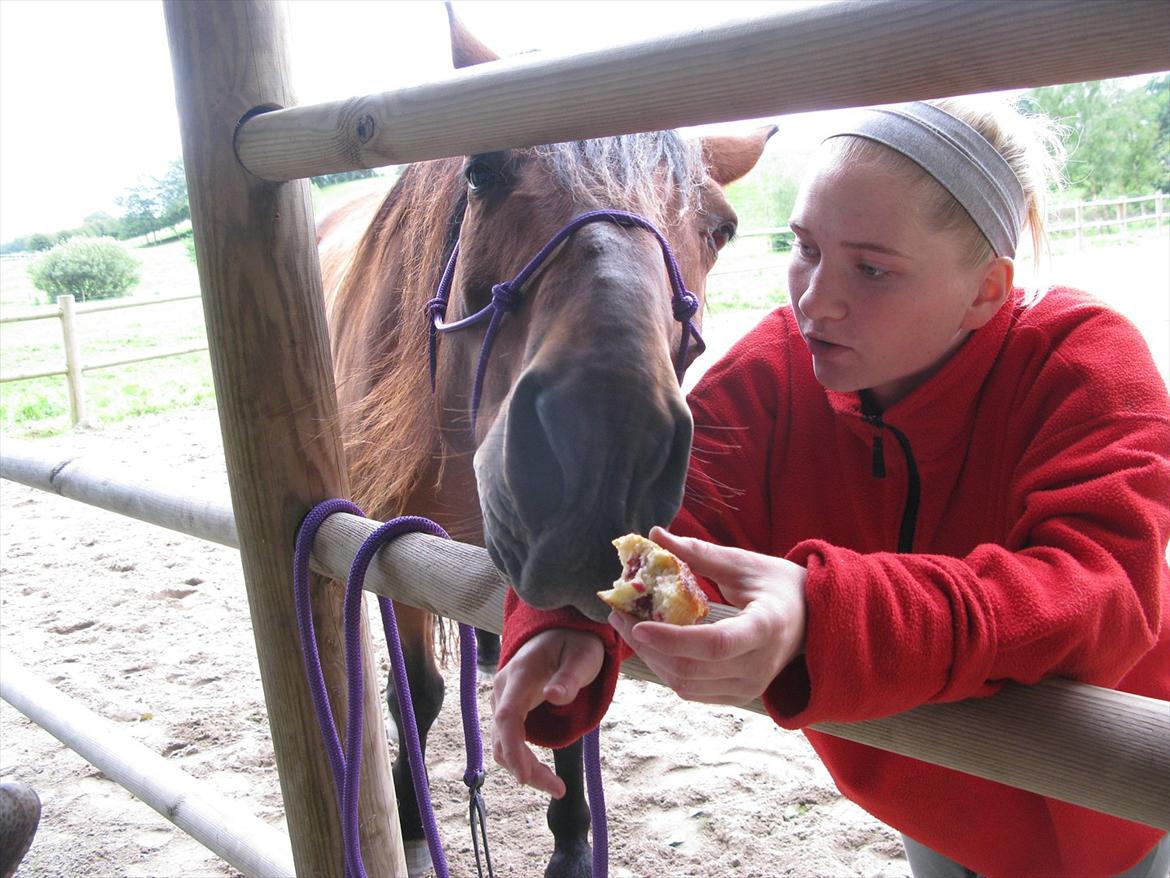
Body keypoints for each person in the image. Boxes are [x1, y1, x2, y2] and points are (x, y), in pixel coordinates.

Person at [490, 97, 1170, 877]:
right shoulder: (780, 367)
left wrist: (823, 613)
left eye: (873, 269)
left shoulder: (1088, 364)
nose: (815, 300)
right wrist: (559, 620)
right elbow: (658, 511)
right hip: (922, 796)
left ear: (988, 289)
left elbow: (1103, 593)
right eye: (805, 248)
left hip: (1110, 799)